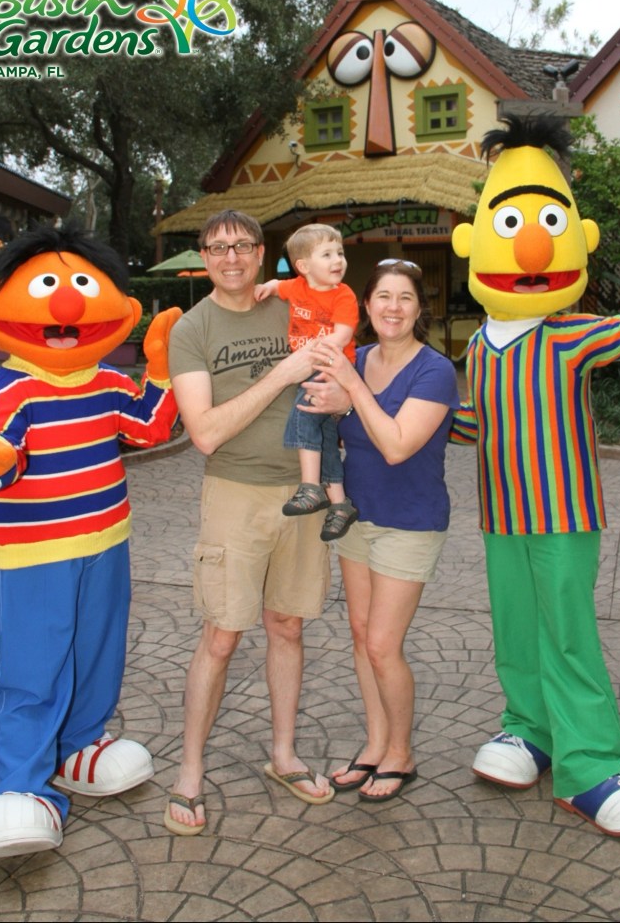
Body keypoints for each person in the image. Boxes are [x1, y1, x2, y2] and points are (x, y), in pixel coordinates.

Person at [450, 114, 620, 837]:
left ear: (578, 238)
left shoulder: (568, 336)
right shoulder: (479, 350)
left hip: (563, 513)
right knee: (516, 628)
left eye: (549, 225)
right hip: (501, 516)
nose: (530, 245)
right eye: (511, 225)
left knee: (567, 631)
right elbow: (473, 424)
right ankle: (529, 728)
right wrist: (387, 416)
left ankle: (588, 762)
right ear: (472, 242)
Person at [0, 222, 181, 859]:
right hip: (32, 550)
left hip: (105, 539)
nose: (67, 305)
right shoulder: (11, 388)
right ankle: (17, 783)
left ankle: (79, 745)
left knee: (98, 648)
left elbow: (150, 428)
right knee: (34, 662)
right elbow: (2, 457)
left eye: (82, 288)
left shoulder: (108, 380)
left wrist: (160, 371)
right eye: (48, 288)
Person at [165, 210, 335, 836]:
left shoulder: (291, 304)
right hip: (234, 493)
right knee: (221, 636)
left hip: (302, 489)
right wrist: (281, 375)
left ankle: (283, 755)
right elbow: (205, 433)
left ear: (263, 254)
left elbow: (340, 353)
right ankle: (189, 772)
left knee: (287, 626)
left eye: (242, 246)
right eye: (217, 248)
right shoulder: (192, 329)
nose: (231, 258)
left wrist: (342, 395)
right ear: (203, 258)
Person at [300, 259, 460, 802]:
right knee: (361, 636)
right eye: (383, 297)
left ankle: (401, 752)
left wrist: (350, 391)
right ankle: (374, 744)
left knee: (383, 645)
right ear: (366, 305)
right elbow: (320, 419)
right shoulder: (357, 356)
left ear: (419, 309)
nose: (393, 308)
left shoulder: (434, 371)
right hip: (356, 514)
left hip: (409, 521)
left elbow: (396, 445)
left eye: (405, 298)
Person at [254, 223, 359, 541]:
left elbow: (343, 335)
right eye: (327, 254)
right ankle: (339, 503)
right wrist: (266, 287)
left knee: (302, 416)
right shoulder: (297, 287)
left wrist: (312, 353)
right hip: (311, 367)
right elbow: (278, 286)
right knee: (325, 436)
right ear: (303, 266)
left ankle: (311, 486)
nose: (338, 260)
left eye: (339, 253)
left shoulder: (343, 294)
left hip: (330, 368)